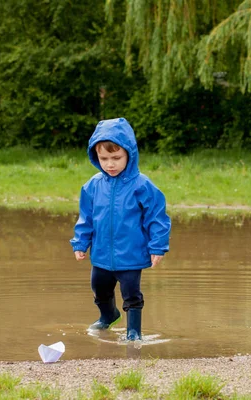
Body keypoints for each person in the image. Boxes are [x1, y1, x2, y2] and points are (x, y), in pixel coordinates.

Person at [70, 117, 171, 341]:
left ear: (129, 154)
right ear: (95, 157)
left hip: (131, 255)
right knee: (99, 289)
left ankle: (133, 333)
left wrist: (157, 247)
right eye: (104, 158)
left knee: (131, 295)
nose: (110, 164)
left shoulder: (142, 185)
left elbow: (157, 218)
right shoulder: (93, 186)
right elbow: (86, 218)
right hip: (102, 255)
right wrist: (80, 242)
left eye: (116, 158)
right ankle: (108, 315)